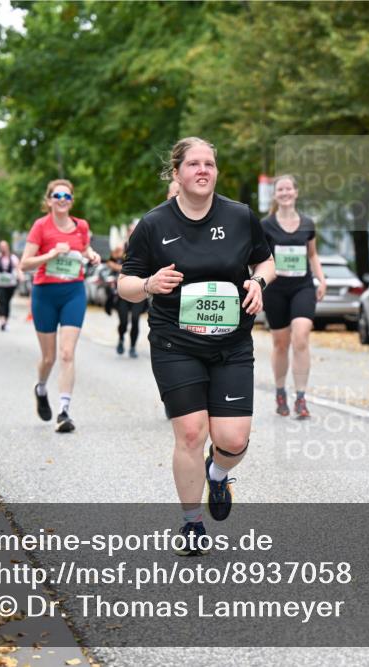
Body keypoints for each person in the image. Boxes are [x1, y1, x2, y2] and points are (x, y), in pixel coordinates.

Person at [118, 137, 275, 556]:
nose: (203, 170)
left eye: (209, 164)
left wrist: (258, 282)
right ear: (177, 173)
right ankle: (191, 523)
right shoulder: (154, 225)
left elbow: (266, 260)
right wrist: (149, 284)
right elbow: (125, 283)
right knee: (190, 432)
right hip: (176, 342)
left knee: (234, 439)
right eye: (193, 164)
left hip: (232, 343)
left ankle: (219, 475)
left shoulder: (240, 216)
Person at [20, 179, 101, 433]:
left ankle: (64, 411)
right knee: (49, 357)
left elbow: (84, 247)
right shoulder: (40, 227)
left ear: (72, 200)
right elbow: (25, 264)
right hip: (45, 293)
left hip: (73, 293)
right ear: (49, 200)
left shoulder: (81, 226)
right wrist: (51, 254)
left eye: (67, 195)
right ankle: (41, 388)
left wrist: (91, 254)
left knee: (67, 353)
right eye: (57, 195)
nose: (62, 199)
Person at [261, 174, 326, 419]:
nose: (285, 193)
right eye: (281, 189)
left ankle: (300, 398)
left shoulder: (308, 223)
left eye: (289, 189)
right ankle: (280, 392)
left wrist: (321, 279)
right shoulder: (266, 225)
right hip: (276, 289)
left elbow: (313, 255)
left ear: (296, 192)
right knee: (281, 343)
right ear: (276, 195)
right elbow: (260, 258)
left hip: (302, 287)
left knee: (300, 337)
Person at [106, 244, 146, 357]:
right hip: (123, 292)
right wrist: (120, 267)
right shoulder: (121, 249)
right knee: (123, 321)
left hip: (139, 292)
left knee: (135, 319)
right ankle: (121, 339)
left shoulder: (146, 249)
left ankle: (133, 347)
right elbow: (109, 262)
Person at [0, 240, 20, 331]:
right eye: (1, 246)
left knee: (7, 302)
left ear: (7, 247)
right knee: (2, 301)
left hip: (10, 284)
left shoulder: (13, 258)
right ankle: (2, 321)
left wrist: (20, 277)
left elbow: (18, 269)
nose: (3, 248)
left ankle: (6, 321)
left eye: (4, 246)